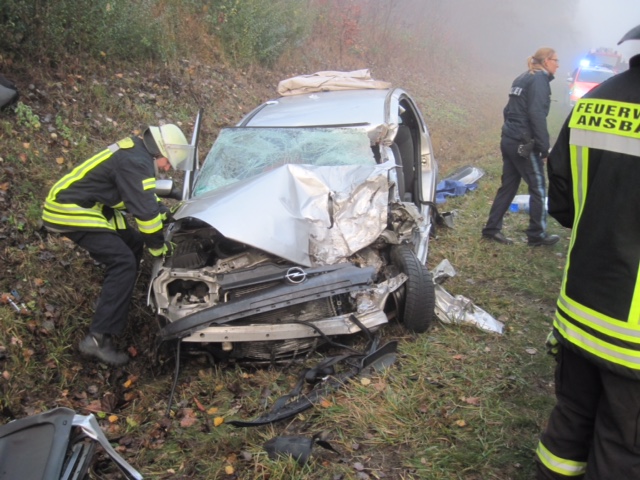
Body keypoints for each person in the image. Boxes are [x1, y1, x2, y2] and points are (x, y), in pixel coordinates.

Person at [535, 24, 640, 479]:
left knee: (571, 420)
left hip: (579, 307)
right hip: (632, 338)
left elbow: (561, 204)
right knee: (623, 446)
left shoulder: (593, 102)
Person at [42, 124, 191, 366]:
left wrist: (166, 213)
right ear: (159, 151)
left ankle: (112, 300)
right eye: (169, 162)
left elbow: (141, 196)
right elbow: (145, 214)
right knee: (122, 262)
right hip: (68, 209)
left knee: (132, 244)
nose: (168, 168)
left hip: (90, 205)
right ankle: (98, 339)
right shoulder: (136, 162)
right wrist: (157, 247)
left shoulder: (137, 154)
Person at [482, 48, 561, 246]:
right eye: (555, 60)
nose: (558, 65)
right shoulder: (539, 80)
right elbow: (536, 114)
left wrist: (511, 131)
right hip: (523, 143)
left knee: (508, 186)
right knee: (538, 186)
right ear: (546, 61)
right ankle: (537, 235)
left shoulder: (522, 77)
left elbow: (507, 110)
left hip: (510, 138)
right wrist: (544, 147)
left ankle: (491, 229)